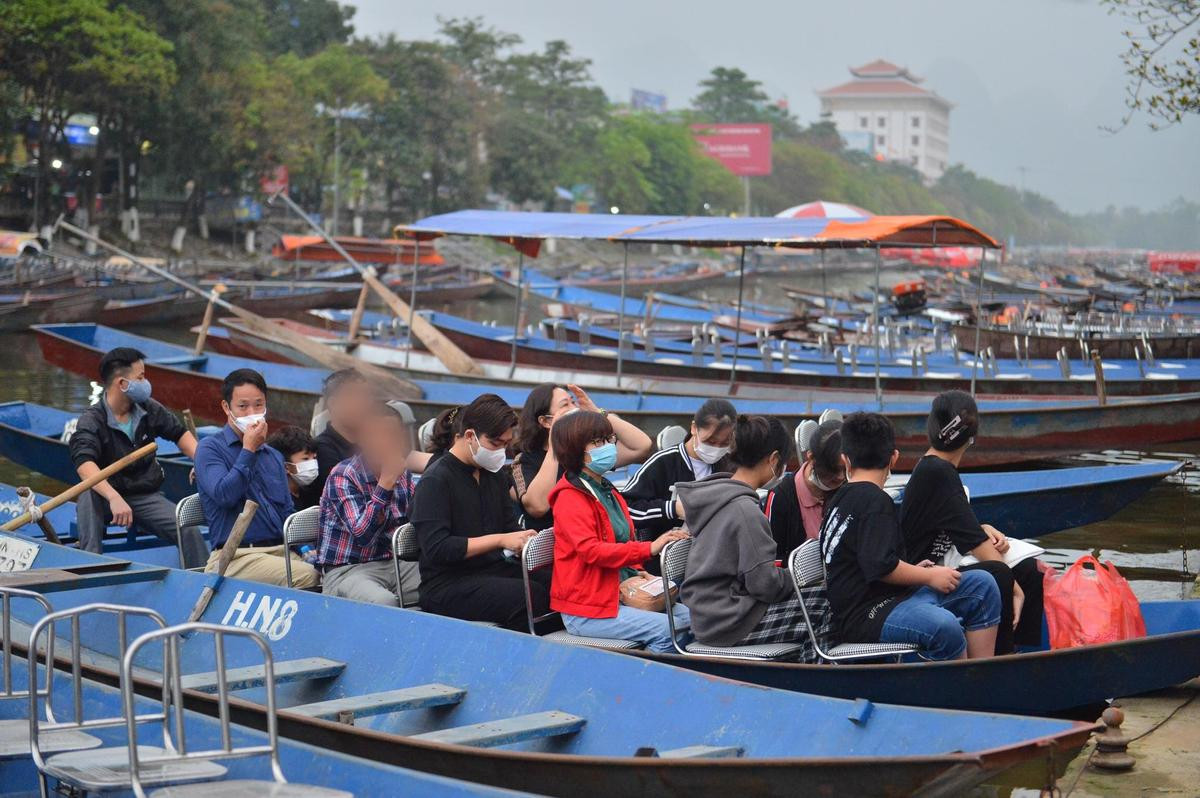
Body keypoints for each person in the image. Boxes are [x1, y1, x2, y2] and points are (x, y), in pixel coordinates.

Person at [819, 412, 1000, 661]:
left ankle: (983, 673)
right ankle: (962, 691)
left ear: (845, 459)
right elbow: (879, 566)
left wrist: (914, 570)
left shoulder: (839, 498)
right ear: (894, 457)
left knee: (983, 584)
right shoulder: (874, 502)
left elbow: (872, 559)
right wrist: (929, 575)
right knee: (943, 626)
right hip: (867, 615)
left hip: (892, 597)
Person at [899, 390, 1044, 653]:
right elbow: (979, 546)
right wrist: (1016, 590)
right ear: (970, 439)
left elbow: (959, 526)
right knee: (1000, 574)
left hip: (939, 565)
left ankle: (1022, 651)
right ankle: (1002, 655)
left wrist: (981, 528)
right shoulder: (938, 473)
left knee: (1028, 569)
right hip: (920, 578)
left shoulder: (933, 468)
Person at [547, 410, 689, 652]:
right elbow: (591, 551)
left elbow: (619, 541)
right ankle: (648, 684)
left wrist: (638, 571)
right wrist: (650, 548)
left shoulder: (606, 490)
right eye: (598, 442)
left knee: (693, 619)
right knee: (669, 630)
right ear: (575, 449)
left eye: (608, 440)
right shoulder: (570, 497)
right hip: (586, 608)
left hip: (618, 593)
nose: (608, 447)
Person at [409, 393, 553, 631]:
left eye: (506, 445)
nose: (501, 452)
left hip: (490, 570)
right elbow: (437, 548)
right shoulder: (435, 480)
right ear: (469, 436)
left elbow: (509, 526)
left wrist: (527, 540)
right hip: (447, 584)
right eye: (496, 444)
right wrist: (499, 540)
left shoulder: (493, 475)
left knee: (555, 584)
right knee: (528, 598)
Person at [678, 415, 812, 650]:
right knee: (824, 606)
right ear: (774, 459)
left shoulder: (716, 495)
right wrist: (797, 578)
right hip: (730, 622)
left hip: (707, 615)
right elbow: (764, 584)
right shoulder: (745, 511)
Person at [68, 347, 208, 567]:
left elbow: (179, 434)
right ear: (122, 384)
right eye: (141, 377)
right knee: (87, 491)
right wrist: (114, 498)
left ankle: (202, 580)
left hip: (143, 495)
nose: (146, 383)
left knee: (188, 529)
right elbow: (84, 464)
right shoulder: (92, 420)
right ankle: (90, 567)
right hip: (103, 495)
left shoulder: (147, 409)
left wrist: (202, 462)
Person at [193, 368, 317, 588]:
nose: (252, 412)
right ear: (226, 407)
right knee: (307, 575)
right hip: (235, 557)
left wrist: (306, 549)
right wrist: (248, 450)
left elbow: (286, 511)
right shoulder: (209, 448)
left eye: (258, 405)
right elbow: (225, 495)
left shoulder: (272, 455)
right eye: (243, 406)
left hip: (280, 549)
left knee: (332, 572)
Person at [318, 400, 421, 605]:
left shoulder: (405, 475)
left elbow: (415, 523)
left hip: (396, 564)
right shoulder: (344, 475)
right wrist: (385, 485)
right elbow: (363, 536)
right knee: (384, 602)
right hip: (348, 570)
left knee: (447, 584)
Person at [514, 383, 652, 531]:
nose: (574, 408)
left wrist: (597, 412)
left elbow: (641, 446)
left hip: (593, 533)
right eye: (565, 405)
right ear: (546, 421)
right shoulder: (525, 460)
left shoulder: (585, 452)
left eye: (573, 402)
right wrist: (555, 442)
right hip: (555, 545)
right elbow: (538, 507)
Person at [622, 399, 736, 539]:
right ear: (694, 428)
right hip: (665, 555)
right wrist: (672, 508)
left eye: (724, 443)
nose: (716, 449)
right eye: (710, 441)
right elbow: (625, 510)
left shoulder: (728, 464)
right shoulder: (663, 462)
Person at [767, 417, 846, 561]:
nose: (840, 477)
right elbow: (771, 557)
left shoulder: (849, 489)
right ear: (811, 458)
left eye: (846, 470)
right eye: (832, 469)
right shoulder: (781, 497)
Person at [267, 426, 319, 510]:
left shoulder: (310, 494)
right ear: (286, 466)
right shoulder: (276, 500)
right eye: (305, 459)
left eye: (314, 458)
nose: (312, 464)